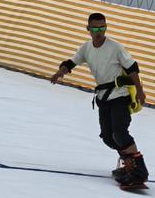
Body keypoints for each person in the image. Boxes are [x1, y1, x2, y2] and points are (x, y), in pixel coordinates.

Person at [50, 12, 149, 186]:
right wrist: (61, 71)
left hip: (120, 96)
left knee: (119, 132)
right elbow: (71, 62)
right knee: (108, 137)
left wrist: (140, 91)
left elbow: (132, 68)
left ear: (106, 27)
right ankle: (128, 163)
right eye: (95, 28)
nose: (99, 32)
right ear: (88, 29)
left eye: (102, 28)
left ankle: (139, 171)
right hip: (103, 98)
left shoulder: (115, 47)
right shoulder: (86, 48)